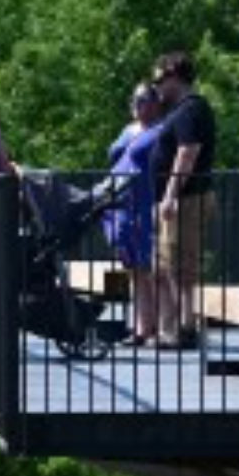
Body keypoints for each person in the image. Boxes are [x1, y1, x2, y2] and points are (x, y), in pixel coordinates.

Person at [149, 50, 216, 351]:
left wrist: (170, 196)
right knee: (165, 265)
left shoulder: (192, 109)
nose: (157, 86)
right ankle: (170, 328)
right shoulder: (178, 111)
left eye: (160, 79)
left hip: (186, 199)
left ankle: (186, 328)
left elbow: (187, 153)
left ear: (176, 76)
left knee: (180, 265)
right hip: (175, 199)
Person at [104, 82, 167, 343]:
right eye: (135, 100)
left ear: (155, 104)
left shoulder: (160, 131)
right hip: (121, 204)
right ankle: (141, 325)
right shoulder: (128, 130)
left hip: (143, 202)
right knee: (132, 268)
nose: (136, 105)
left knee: (146, 267)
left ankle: (152, 327)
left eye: (142, 100)